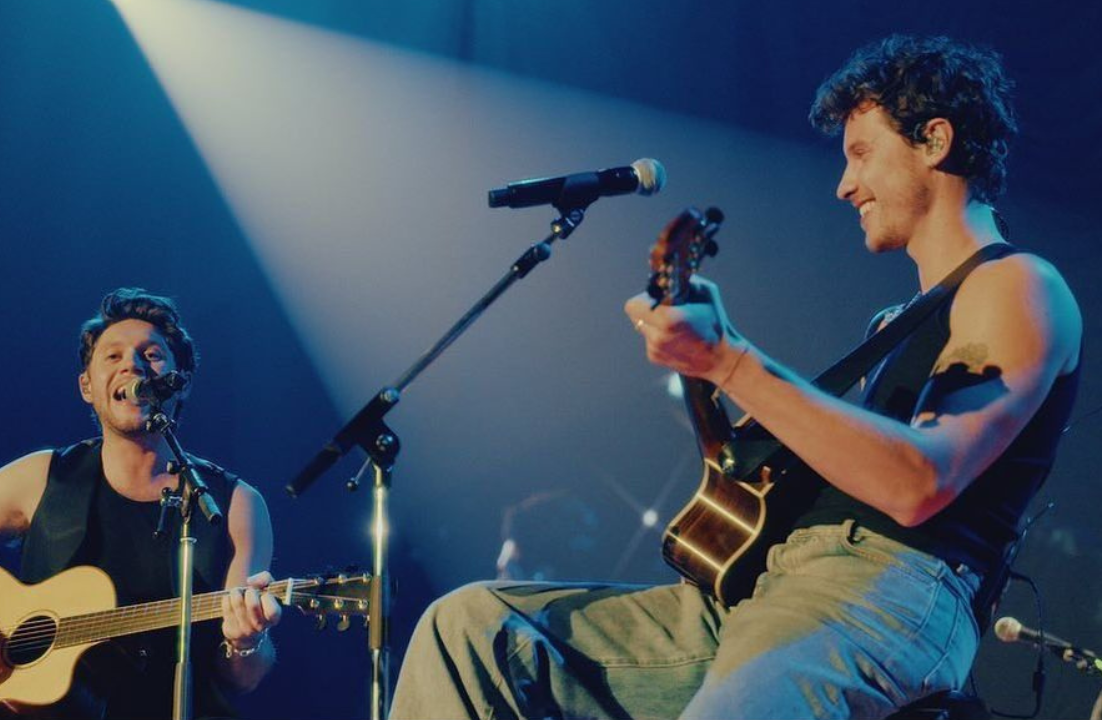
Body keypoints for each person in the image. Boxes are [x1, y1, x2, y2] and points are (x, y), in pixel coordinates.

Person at [389, 34, 1082, 720]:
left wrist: (728, 359)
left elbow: (917, 483)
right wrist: (719, 381)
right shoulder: (890, 324)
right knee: (470, 629)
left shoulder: (1017, 283)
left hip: (888, 592)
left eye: (862, 153)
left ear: (934, 140)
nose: (845, 185)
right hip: (766, 592)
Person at [0, 288, 281, 719]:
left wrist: (246, 640)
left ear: (181, 383)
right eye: (112, 355)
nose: (133, 364)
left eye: (152, 354)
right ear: (86, 386)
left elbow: (244, 677)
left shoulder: (235, 505)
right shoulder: (40, 479)